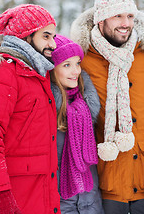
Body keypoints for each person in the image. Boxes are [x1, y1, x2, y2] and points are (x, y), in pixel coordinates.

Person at [70, 0, 144, 213]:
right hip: (105, 177)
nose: (126, 23)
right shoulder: (82, 60)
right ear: (100, 20)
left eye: (130, 16)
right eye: (117, 15)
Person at [0, 4, 61, 214]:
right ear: (26, 37)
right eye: (46, 36)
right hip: (6, 200)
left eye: (53, 36)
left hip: (32, 197)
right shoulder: (2, 72)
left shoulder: (35, 73)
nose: (53, 43)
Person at [49, 34, 104, 213]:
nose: (76, 71)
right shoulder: (46, 109)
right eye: (67, 65)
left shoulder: (86, 107)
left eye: (77, 63)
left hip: (91, 202)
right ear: (52, 69)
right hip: (59, 204)